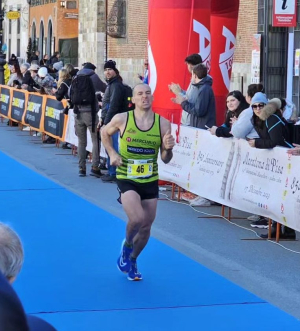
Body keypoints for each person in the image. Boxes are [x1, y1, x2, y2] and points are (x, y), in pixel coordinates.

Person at [101, 83, 175, 281]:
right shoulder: (122, 119)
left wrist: (168, 149)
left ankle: (132, 259)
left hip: (149, 179)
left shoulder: (163, 124)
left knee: (146, 227)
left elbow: (166, 158)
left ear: (152, 98)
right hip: (127, 177)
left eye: (148, 93)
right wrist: (112, 153)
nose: (144, 97)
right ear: (133, 99)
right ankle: (126, 246)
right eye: (140, 94)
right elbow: (103, 132)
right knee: (136, 219)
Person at [71, 62, 106, 177]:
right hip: (90, 113)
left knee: (81, 141)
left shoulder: (76, 76)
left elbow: (69, 93)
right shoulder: (93, 76)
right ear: (92, 69)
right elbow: (104, 87)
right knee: (95, 139)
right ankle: (95, 166)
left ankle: (81, 168)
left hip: (77, 113)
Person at [101, 60, 127, 183]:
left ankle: (114, 172)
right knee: (110, 147)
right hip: (111, 121)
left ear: (115, 71)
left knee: (113, 147)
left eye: (110, 69)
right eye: (106, 70)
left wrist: (106, 122)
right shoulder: (112, 85)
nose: (107, 72)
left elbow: (113, 106)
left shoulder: (116, 85)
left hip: (114, 122)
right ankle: (112, 171)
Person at [169, 53, 203, 125]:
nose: (190, 66)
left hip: (191, 121)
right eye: (188, 64)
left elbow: (190, 101)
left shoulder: (198, 81)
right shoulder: (194, 80)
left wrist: (178, 92)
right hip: (187, 119)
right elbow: (189, 96)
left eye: (192, 64)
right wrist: (180, 90)